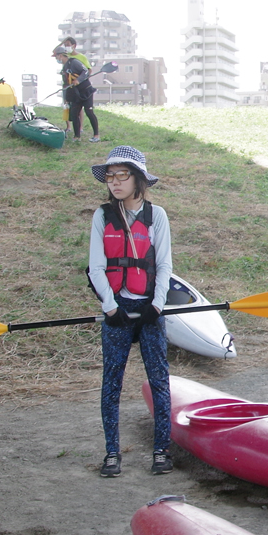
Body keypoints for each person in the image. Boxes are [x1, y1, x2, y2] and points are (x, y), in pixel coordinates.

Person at [87, 146, 173, 478]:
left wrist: (157, 305)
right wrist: (110, 308)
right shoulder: (102, 216)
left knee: (159, 381)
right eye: (110, 176)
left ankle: (161, 451)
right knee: (112, 383)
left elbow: (164, 266)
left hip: (150, 308)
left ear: (138, 178)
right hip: (117, 310)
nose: (115, 182)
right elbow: (96, 267)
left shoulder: (158, 216)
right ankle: (112, 453)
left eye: (122, 175)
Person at [53, 39, 101, 142]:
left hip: (86, 90)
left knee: (89, 112)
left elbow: (85, 72)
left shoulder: (74, 62)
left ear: (61, 56)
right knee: (74, 114)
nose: (56, 59)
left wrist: (78, 80)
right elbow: (66, 85)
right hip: (75, 94)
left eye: (57, 57)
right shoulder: (64, 69)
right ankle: (77, 136)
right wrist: (66, 98)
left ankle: (96, 135)